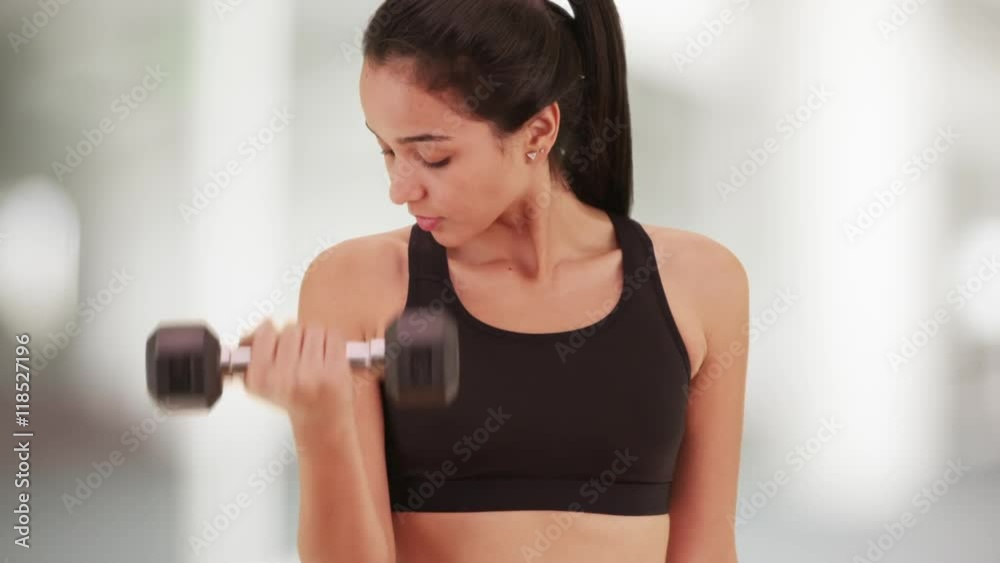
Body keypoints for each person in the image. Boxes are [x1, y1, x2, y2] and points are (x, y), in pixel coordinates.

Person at [241, 1, 749, 561]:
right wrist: (321, 423)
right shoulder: (356, 283)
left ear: (538, 132)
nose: (400, 188)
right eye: (387, 150)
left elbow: (707, 547)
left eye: (432, 156)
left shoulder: (700, 281)